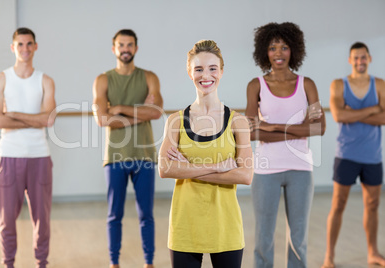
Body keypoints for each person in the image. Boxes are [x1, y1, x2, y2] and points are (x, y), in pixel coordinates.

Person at [158, 40, 253, 268]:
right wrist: (220, 167)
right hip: (184, 228)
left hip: (226, 228)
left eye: (212, 68)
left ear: (221, 71)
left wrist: (187, 169)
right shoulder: (176, 121)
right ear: (190, 72)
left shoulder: (237, 122)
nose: (206, 75)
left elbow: (245, 176)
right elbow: (165, 169)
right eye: (198, 69)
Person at [245, 22, 326, 268]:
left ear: (294, 50)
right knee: (263, 238)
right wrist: (297, 131)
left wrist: (271, 127)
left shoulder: (307, 85)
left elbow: (319, 128)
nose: (278, 53)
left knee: (298, 239)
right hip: (266, 170)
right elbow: (251, 132)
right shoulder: (256, 85)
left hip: (300, 169)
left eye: (284, 47)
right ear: (264, 52)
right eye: (272, 48)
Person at [92, 29, 163, 268]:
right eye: (121, 45)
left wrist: (120, 108)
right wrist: (140, 113)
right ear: (114, 48)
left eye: (130, 44)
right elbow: (102, 119)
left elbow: (156, 112)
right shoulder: (103, 79)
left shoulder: (149, 77)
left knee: (147, 215)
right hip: (115, 157)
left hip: (144, 155)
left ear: (136, 48)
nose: (125, 49)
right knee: (114, 215)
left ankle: (149, 262)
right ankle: (114, 263)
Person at [0, 28, 56, 268]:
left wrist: (14, 114)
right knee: (6, 220)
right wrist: (35, 118)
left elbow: (48, 120)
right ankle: (8, 264)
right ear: (13, 48)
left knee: (42, 220)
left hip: (39, 156)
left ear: (35, 47)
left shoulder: (45, 81)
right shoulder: (0, 80)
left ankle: (42, 263)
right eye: (20, 45)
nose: (25, 49)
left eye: (29, 44)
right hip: (8, 156)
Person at [321, 42, 385, 268]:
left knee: (373, 205)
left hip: (373, 156)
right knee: (338, 204)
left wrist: (353, 113)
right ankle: (329, 256)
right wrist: (372, 109)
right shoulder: (339, 84)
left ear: (369, 58)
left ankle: (373, 253)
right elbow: (338, 115)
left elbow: (384, 118)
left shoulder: (379, 85)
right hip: (346, 154)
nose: (360, 61)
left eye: (363, 57)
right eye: (355, 58)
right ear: (350, 60)